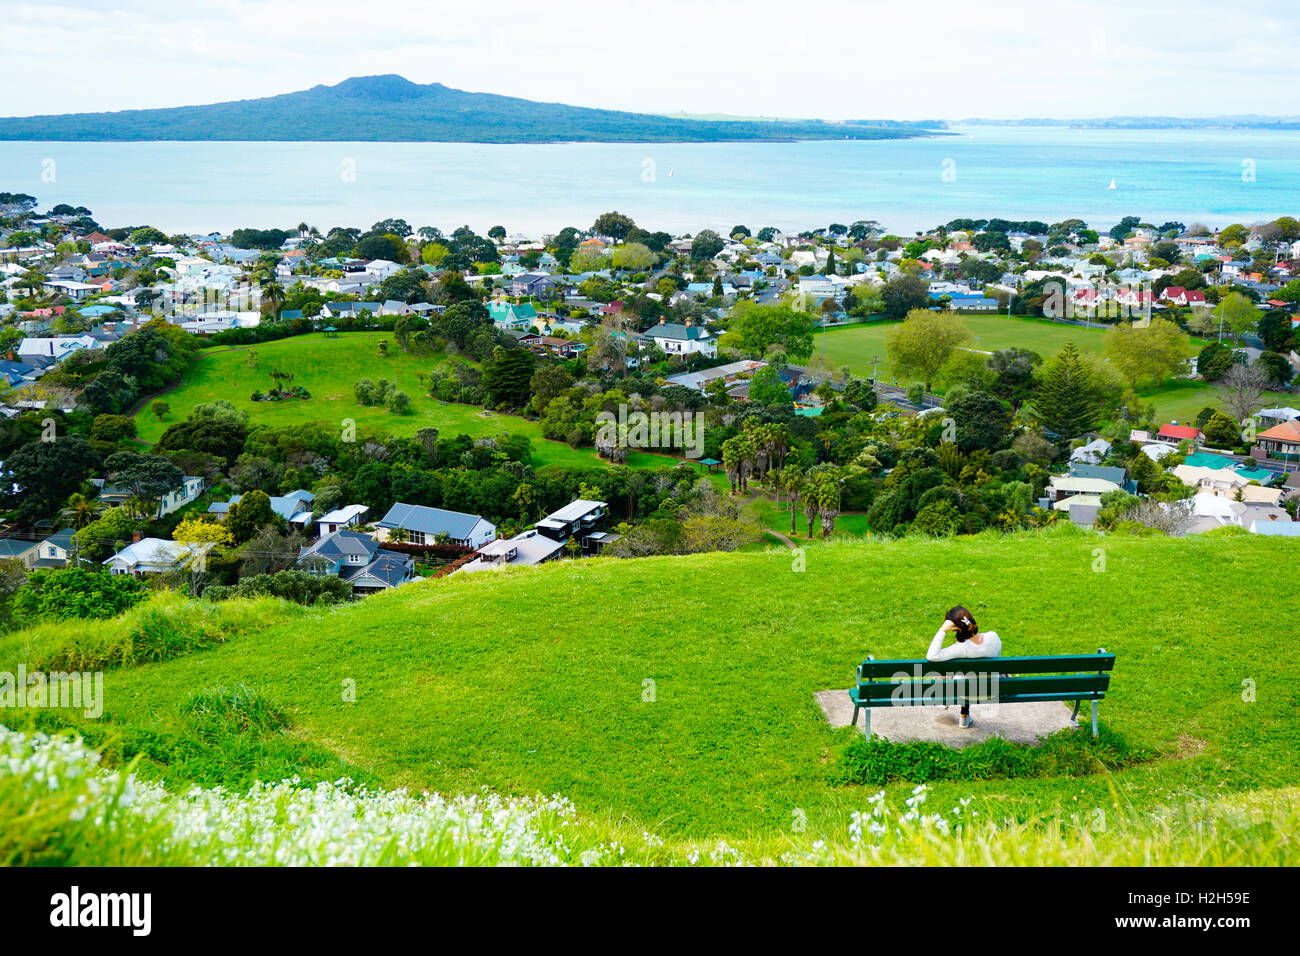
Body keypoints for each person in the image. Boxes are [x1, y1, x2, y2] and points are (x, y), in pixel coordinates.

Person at [926, 605, 1002, 729]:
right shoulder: (994, 637)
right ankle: (964, 716)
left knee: (945, 670)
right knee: (972, 677)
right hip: (990, 690)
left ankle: (945, 699)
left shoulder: (961, 649)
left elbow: (932, 656)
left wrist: (942, 630)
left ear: (955, 628)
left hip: (964, 693)